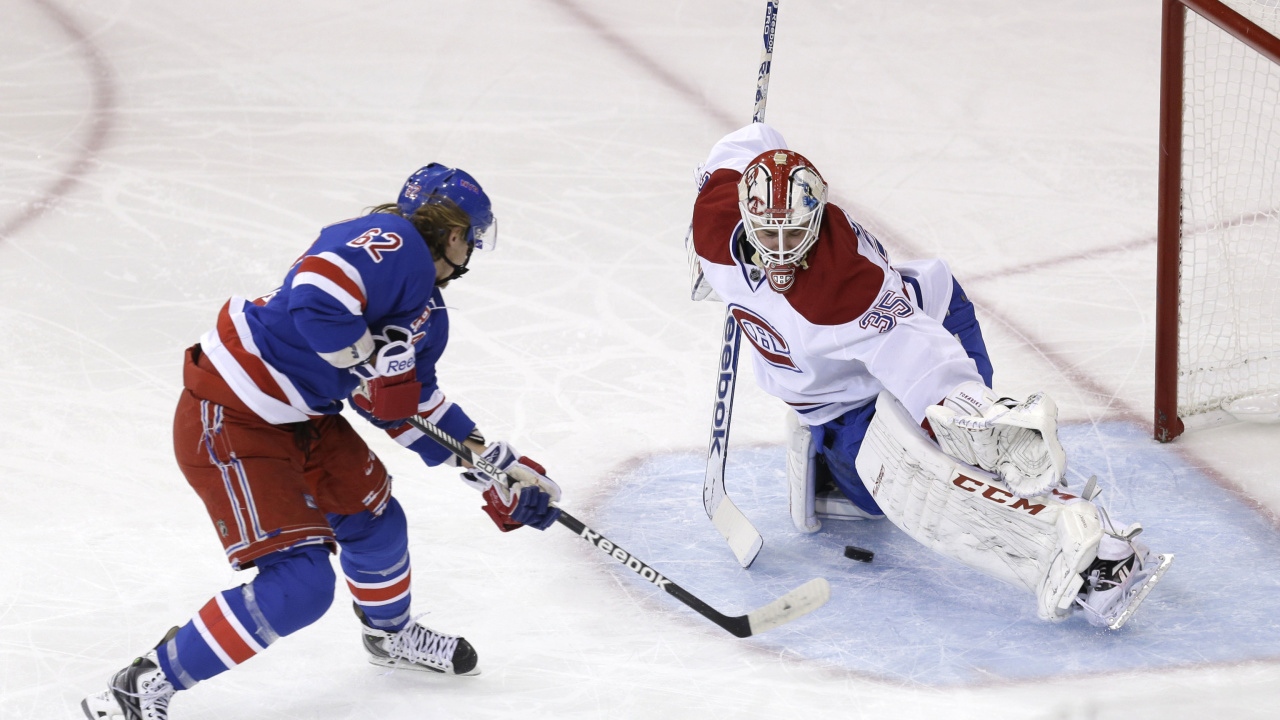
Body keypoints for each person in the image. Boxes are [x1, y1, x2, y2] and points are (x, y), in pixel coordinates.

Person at [82, 165, 563, 720]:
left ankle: (390, 638)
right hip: (236, 411)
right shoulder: (395, 240)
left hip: (301, 415)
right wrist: (364, 355)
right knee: (302, 586)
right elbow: (314, 293)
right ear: (455, 234)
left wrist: (494, 468)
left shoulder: (425, 307)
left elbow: (404, 408)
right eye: (471, 239)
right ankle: (138, 687)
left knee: (376, 521)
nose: (470, 252)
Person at [686, 123, 1173, 630]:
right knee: (872, 501)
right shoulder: (713, 222)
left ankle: (1100, 555)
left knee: (946, 477)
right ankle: (830, 457)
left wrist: (979, 422)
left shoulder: (841, 287)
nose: (782, 251)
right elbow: (745, 142)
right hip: (840, 396)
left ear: (820, 219)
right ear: (744, 215)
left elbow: (926, 361)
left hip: (931, 333)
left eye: (796, 235)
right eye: (768, 234)